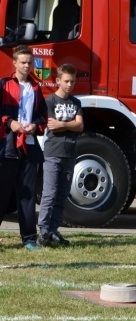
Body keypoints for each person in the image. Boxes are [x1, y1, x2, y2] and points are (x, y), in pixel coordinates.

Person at [0, 45, 48, 251]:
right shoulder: (4, 84)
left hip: (29, 146)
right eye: (23, 62)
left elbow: (43, 116)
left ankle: (29, 238)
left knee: (27, 194)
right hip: (8, 146)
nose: (27, 66)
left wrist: (35, 126)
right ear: (14, 63)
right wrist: (9, 123)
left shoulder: (36, 88)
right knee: (2, 192)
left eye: (29, 62)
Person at [38, 63, 83, 247]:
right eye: (66, 81)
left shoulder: (76, 102)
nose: (69, 85)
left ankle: (54, 230)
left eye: (72, 82)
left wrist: (63, 124)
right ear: (58, 80)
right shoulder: (50, 101)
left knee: (62, 195)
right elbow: (51, 126)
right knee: (49, 193)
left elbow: (80, 126)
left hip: (70, 153)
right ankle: (43, 232)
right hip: (53, 153)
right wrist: (70, 124)